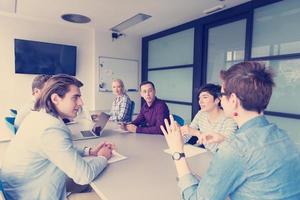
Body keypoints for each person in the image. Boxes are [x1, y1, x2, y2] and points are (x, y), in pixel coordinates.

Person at [161, 61, 300, 199]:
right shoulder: (284, 137)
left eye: (222, 95)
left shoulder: (234, 148)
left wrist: (177, 152)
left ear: (233, 100)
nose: (220, 100)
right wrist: (224, 139)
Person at [0, 74, 114, 200]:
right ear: (55, 99)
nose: (81, 102)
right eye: (75, 97)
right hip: (31, 194)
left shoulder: (37, 116)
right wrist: (103, 157)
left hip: (23, 188)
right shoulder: (51, 128)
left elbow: (58, 149)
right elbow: (83, 175)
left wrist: (90, 151)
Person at [180, 83, 237, 152]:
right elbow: (189, 133)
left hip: (220, 158)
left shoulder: (229, 118)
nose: (200, 102)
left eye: (205, 97)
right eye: (199, 98)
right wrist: (178, 135)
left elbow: (228, 146)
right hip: (205, 154)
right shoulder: (201, 113)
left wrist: (198, 133)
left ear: (217, 100)